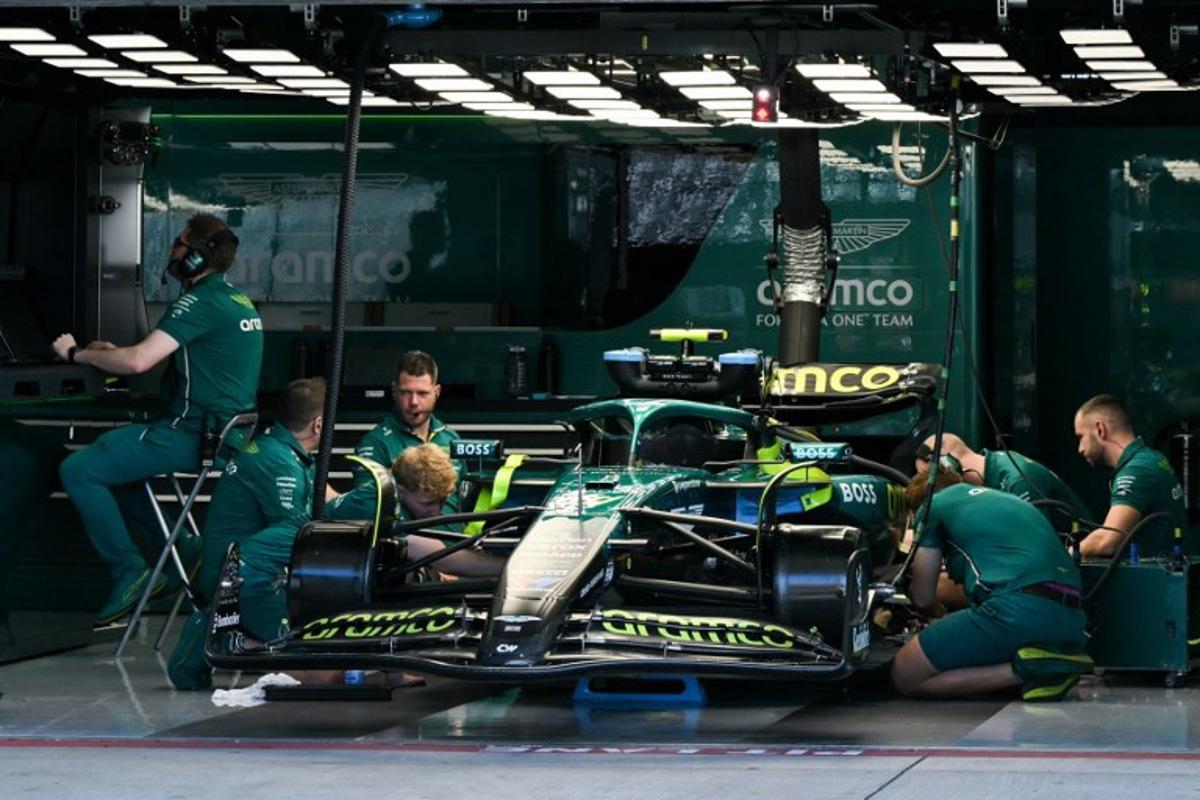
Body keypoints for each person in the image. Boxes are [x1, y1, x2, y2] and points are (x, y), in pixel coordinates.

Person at [53, 214, 262, 625]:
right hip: (224, 433)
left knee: (78, 469)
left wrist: (77, 354)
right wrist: (114, 351)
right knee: (121, 473)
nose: (172, 252)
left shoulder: (197, 301)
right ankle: (184, 548)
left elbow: (137, 362)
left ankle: (129, 572)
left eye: (179, 246)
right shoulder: (234, 299)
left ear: (196, 258)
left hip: (192, 432)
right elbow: (153, 353)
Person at [168, 377, 334, 690]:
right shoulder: (279, 464)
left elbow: (330, 500)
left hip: (244, 569)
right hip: (242, 579)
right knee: (315, 660)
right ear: (319, 424)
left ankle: (234, 634)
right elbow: (298, 537)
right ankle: (227, 636)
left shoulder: (281, 451)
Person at [890, 466, 1092, 702]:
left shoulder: (932, 507)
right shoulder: (1006, 500)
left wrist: (937, 613)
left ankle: (1031, 668)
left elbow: (923, 596)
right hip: (1071, 619)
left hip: (1019, 612)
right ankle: (1053, 663)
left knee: (905, 673)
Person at [328, 443, 502, 578]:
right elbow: (446, 560)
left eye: (442, 502)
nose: (436, 512)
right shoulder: (378, 503)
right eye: (428, 503)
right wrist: (512, 568)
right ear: (402, 489)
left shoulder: (391, 490)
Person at [1073, 394, 1188, 558]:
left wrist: (1065, 555)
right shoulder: (1153, 458)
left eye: (1081, 437)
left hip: (1154, 582)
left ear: (1100, 429)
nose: (1080, 449)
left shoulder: (1136, 470)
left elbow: (1107, 542)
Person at [914, 432, 1091, 528]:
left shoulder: (1016, 479)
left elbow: (1028, 544)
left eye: (933, 484)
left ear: (950, 465)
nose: (936, 492)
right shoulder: (993, 474)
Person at [352, 351, 461, 494]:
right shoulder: (375, 443)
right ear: (394, 391)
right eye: (405, 393)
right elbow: (369, 503)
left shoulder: (451, 438)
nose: (414, 402)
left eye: (422, 393)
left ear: (437, 392)